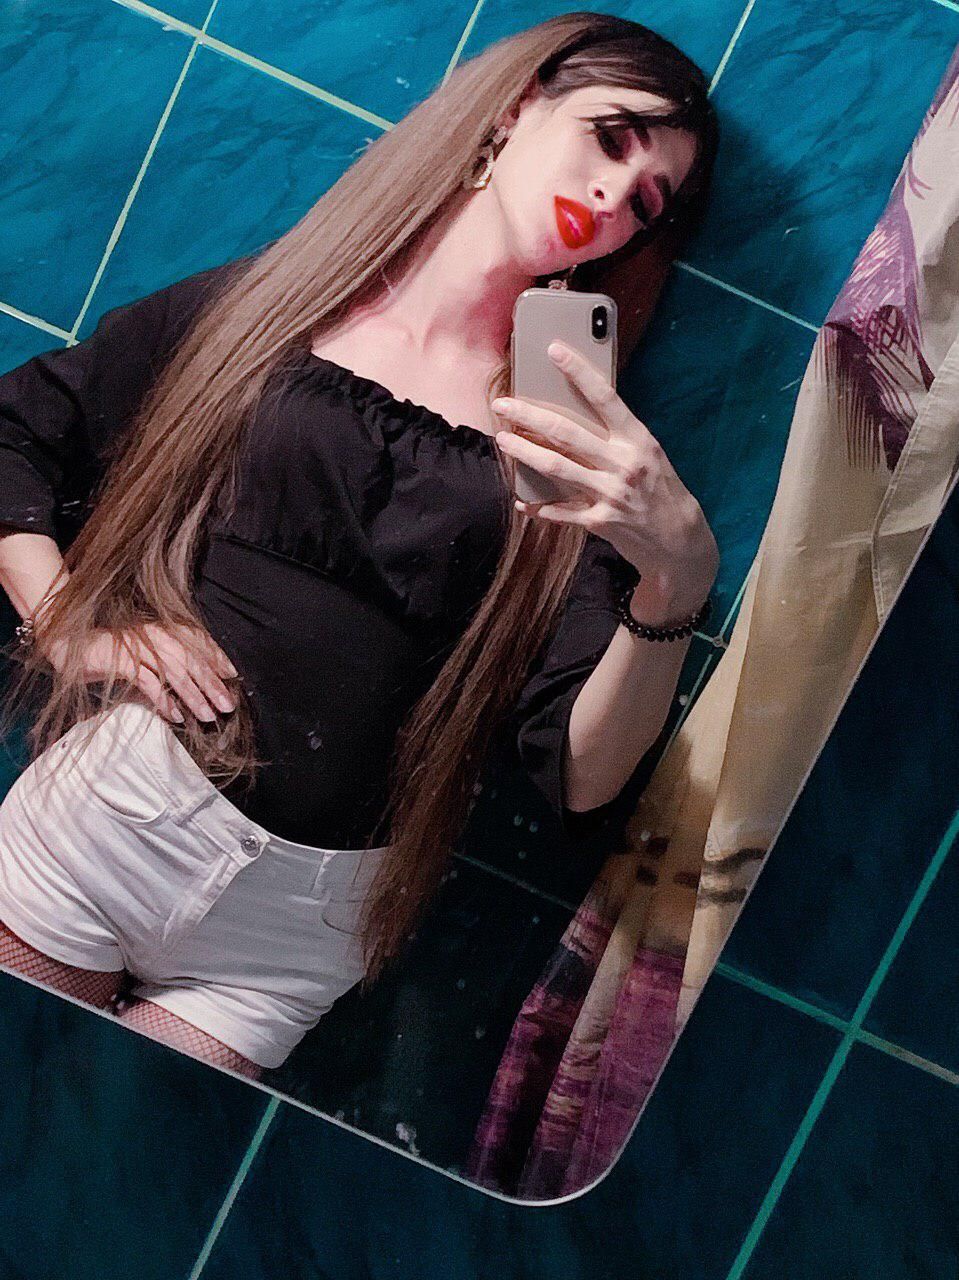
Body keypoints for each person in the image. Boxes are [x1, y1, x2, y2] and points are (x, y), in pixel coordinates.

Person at [0, 13, 719, 1082]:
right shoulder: (277, 309)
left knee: (111, 1173)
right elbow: (20, 429)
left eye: (646, 202)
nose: (614, 196)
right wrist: (65, 625)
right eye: (609, 138)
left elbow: (580, 772)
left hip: (306, 927)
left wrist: (675, 577)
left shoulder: (566, 440)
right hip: (115, 823)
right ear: (516, 106)